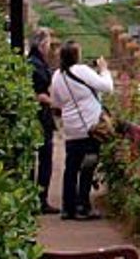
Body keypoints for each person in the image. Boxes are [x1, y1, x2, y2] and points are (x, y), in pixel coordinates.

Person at [48, 41, 116, 220]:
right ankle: (83, 206)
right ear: (76, 56)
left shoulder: (57, 76)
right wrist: (104, 70)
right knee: (88, 166)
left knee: (71, 168)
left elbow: (56, 102)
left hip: (71, 128)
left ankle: (68, 207)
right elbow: (107, 87)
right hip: (90, 127)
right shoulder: (82, 70)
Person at [26, 28, 58, 213]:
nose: (49, 47)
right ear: (41, 44)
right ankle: (39, 199)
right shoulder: (35, 64)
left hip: (40, 114)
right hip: (40, 115)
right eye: (48, 43)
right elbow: (36, 91)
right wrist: (48, 99)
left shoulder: (35, 62)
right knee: (44, 156)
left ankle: (35, 198)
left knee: (38, 157)